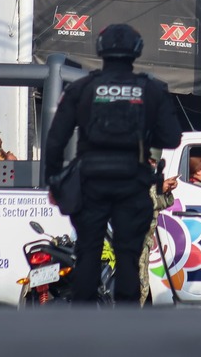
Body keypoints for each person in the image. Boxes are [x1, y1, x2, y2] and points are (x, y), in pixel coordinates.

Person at [45, 23, 182, 306]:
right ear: (137, 51)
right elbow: (172, 136)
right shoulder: (151, 90)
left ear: (100, 48)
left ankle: (83, 329)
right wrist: (143, 134)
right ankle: (126, 329)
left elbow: (55, 140)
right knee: (128, 255)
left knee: (87, 252)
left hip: (90, 182)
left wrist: (54, 182)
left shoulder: (82, 88)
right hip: (133, 181)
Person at [140, 148, 178, 305]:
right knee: (139, 288)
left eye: (155, 162)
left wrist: (166, 190)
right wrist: (158, 191)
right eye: (150, 161)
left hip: (144, 242)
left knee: (142, 288)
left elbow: (163, 203)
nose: (153, 165)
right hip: (133, 242)